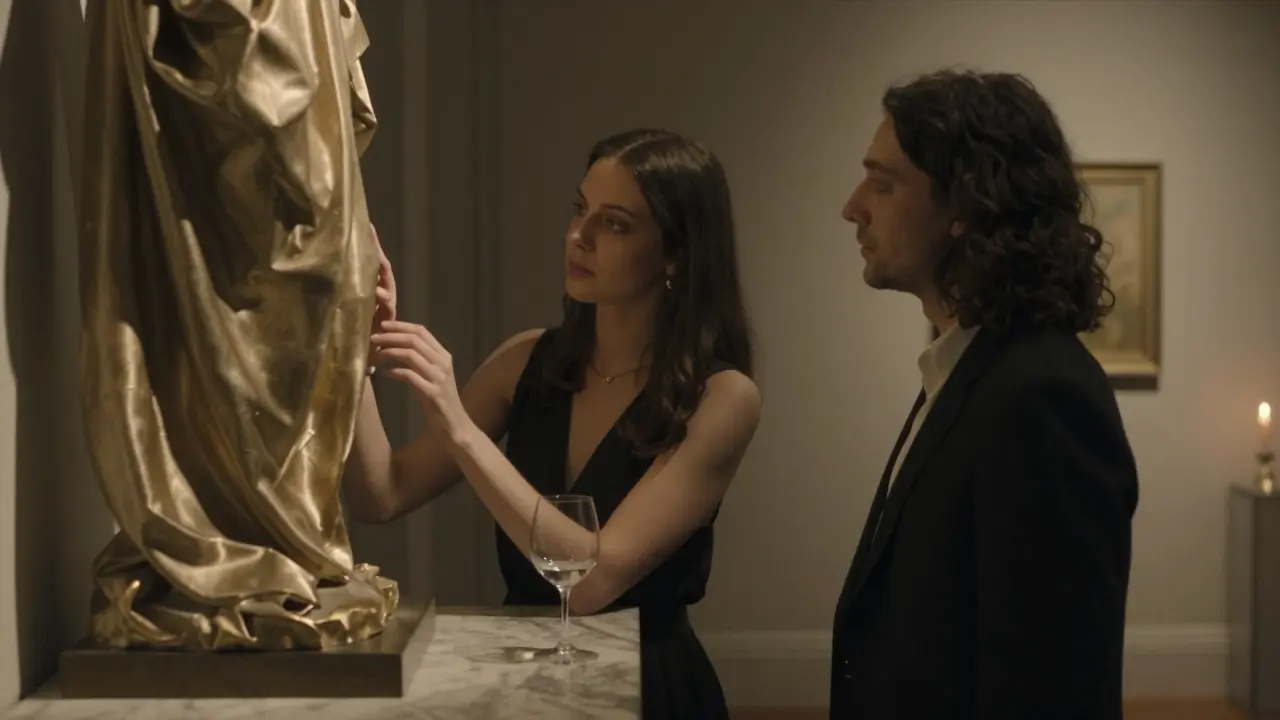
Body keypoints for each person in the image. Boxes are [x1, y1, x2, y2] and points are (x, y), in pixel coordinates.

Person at [343, 128, 762, 719]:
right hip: (531, 680)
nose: (579, 237)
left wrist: (459, 427)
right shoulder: (528, 361)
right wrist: (352, 349)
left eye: (614, 224)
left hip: (649, 690)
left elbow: (593, 581)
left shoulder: (722, 398)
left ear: (676, 252)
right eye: (579, 210)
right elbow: (380, 493)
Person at [831, 69, 1140, 719]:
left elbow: (1051, 692)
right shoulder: (970, 371)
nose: (853, 206)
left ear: (964, 209)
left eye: (883, 184)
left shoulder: (1042, 398)